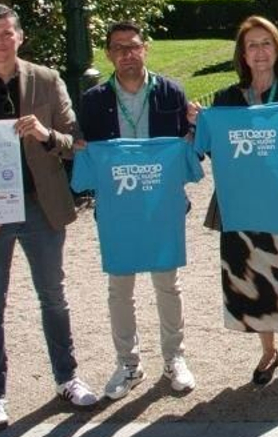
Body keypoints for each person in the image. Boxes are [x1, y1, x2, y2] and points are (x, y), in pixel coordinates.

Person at [0, 4, 97, 429]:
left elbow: (76, 142)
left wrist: (47, 136)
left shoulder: (46, 80)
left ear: (19, 37)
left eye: (6, 33)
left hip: (40, 205)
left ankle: (67, 378)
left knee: (54, 297)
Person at [190, 16, 278, 387]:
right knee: (253, 277)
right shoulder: (225, 100)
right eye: (251, 45)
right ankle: (267, 351)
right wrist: (198, 123)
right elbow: (203, 149)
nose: (259, 52)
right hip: (243, 201)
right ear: (242, 54)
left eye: (266, 44)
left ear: (277, 49)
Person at [78, 22, 196, 399]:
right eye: (119, 48)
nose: (127, 54)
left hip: (162, 205)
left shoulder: (170, 92)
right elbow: (88, 154)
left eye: (133, 46)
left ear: (145, 49)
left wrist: (194, 130)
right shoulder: (94, 100)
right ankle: (128, 364)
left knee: (167, 285)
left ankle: (174, 358)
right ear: (109, 54)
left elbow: (187, 146)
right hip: (119, 209)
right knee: (120, 290)